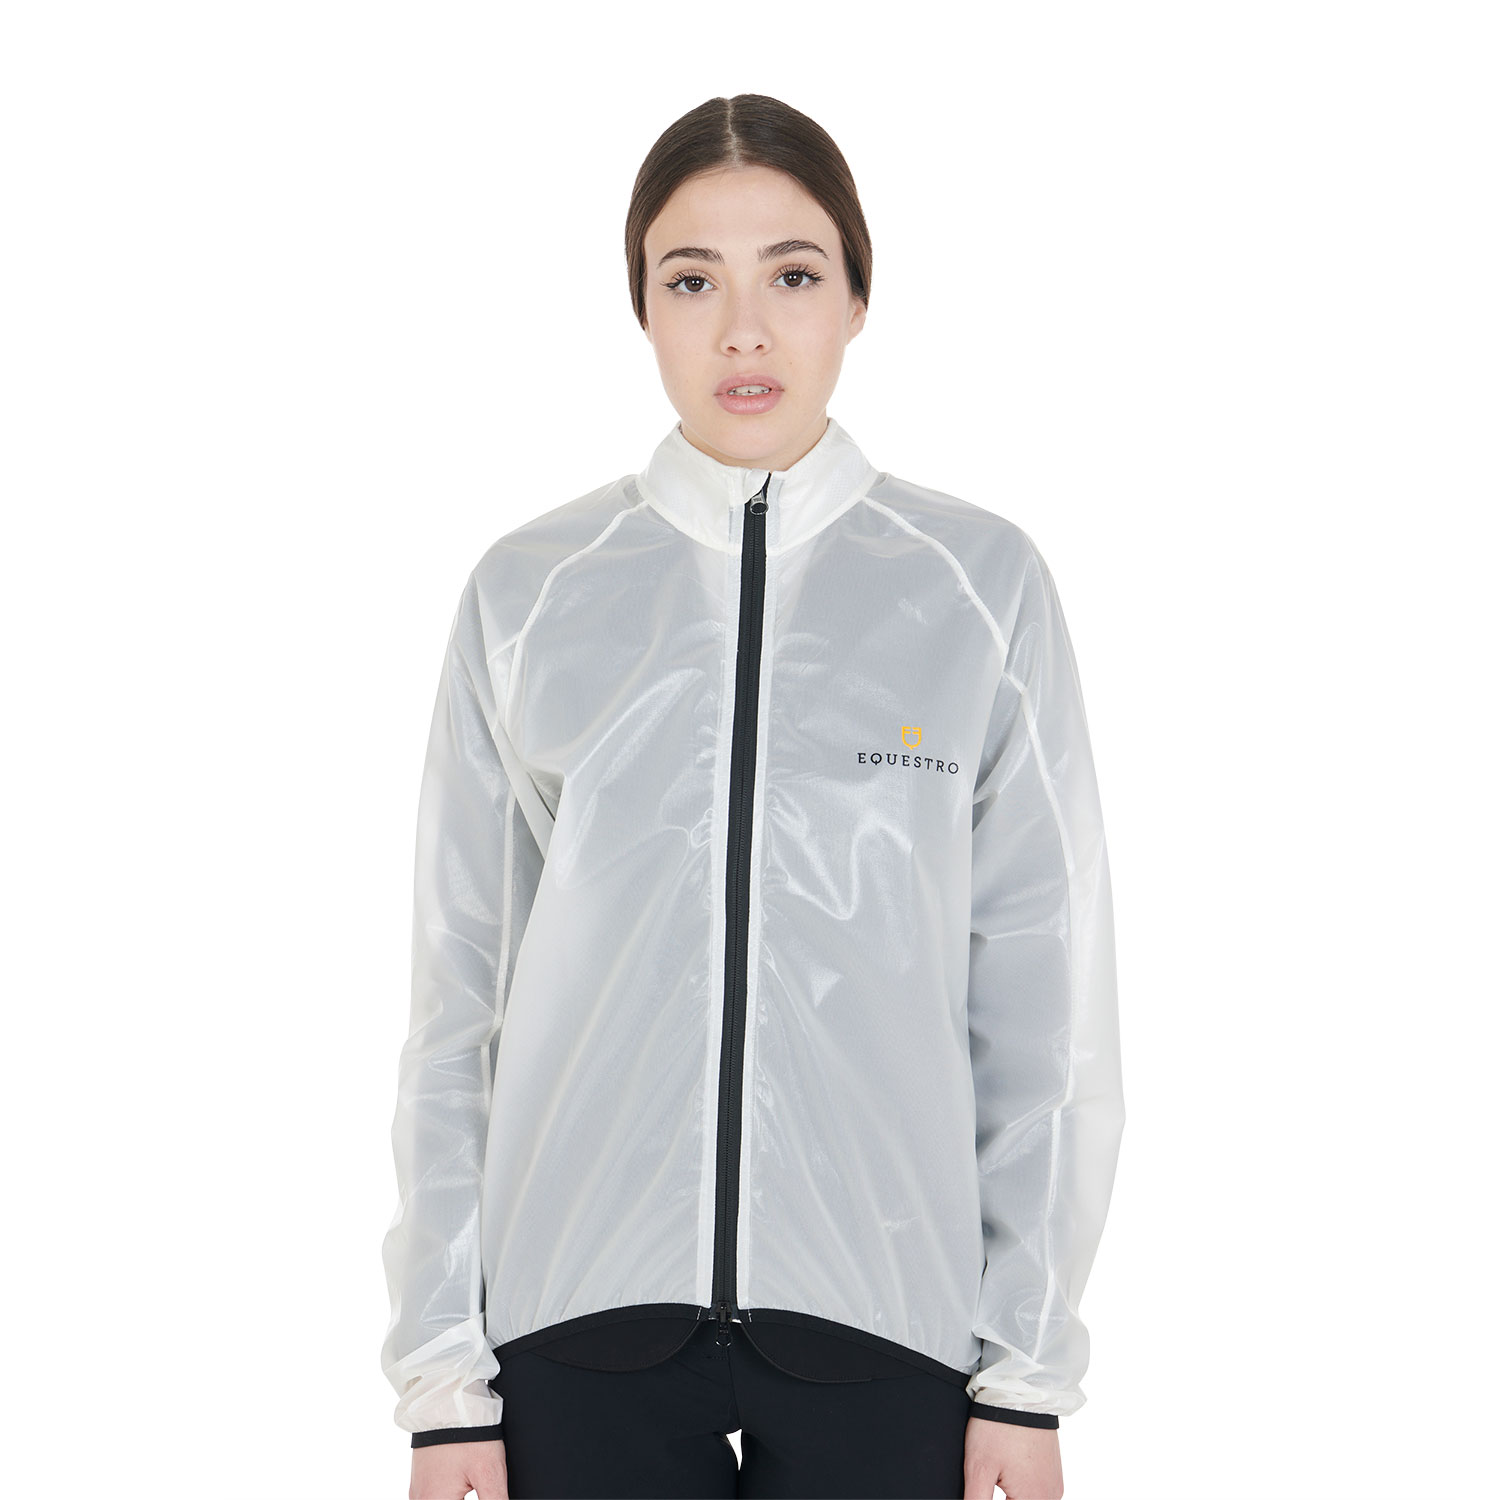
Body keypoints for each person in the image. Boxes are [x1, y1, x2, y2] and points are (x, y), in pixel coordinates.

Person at [381, 93, 1126, 1500]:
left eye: (791, 274)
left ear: (856, 298)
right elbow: (459, 1006)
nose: (742, 331)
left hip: (888, 1329)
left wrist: (1024, 1375)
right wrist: (443, 1388)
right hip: (576, 1328)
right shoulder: (532, 593)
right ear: (641, 308)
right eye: (690, 280)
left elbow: (1041, 1009)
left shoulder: (978, 587)